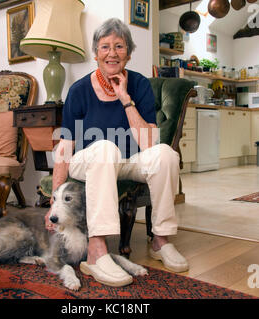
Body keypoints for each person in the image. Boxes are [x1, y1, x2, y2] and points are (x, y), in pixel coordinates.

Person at [45, 18, 188, 287]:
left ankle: (160, 240)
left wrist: (125, 98)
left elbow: (148, 143)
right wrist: (55, 201)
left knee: (166, 154)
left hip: (128, 159)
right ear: (96, 53)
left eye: (119, 46)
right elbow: (65, 146)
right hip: (89, 160)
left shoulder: (140, 85)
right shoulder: (79, 91)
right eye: (105, 46)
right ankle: (97, 251)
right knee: (105, 148)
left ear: (129, 53)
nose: (112, 53)